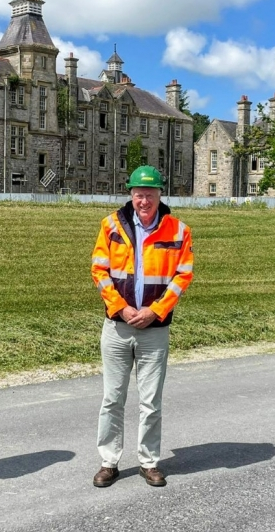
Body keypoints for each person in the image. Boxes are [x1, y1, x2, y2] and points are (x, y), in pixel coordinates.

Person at [90, 165, 194, 488]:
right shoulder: (110, 226)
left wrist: (155, 311)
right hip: (117, 327)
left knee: (151, 401)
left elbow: (183, 275)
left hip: (155, 329)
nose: (144, 200)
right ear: (130, 194)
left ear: (160, 194)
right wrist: (119, 308)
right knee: (112, 398)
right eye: (138, 194)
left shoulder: (178, 230)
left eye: (149, 194)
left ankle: (148, 462)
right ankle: (109, 461)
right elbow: (98, 270)